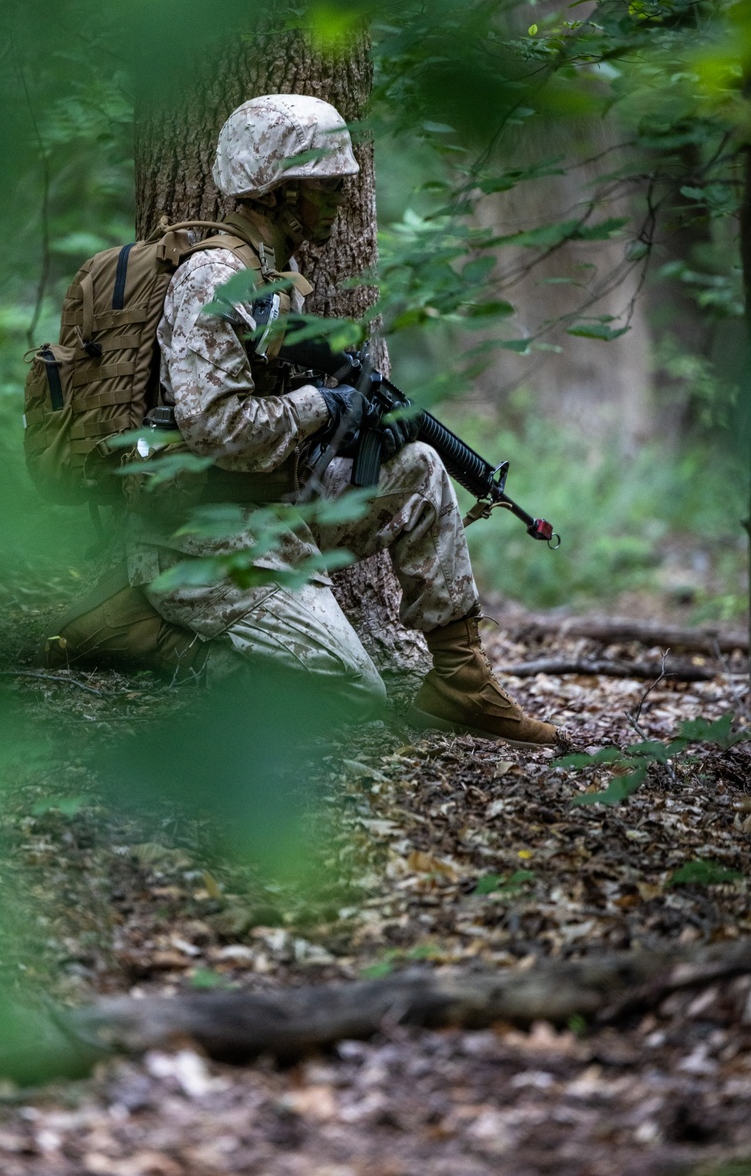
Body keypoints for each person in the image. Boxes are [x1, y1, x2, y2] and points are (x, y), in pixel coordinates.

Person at [47, 94, 561, 747]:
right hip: (203, 541)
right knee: (348, 695)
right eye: (325, 189)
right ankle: (143, 634)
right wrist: (325, 406)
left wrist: (368, 423)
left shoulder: (274, 280)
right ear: (278, 194)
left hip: (277, 510)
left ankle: (458, 682)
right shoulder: (215, 281)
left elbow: (286, 419)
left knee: (422, 466)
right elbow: (215, 427)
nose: (339, 202)